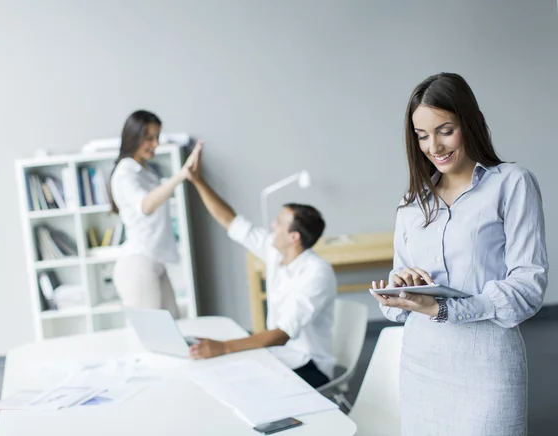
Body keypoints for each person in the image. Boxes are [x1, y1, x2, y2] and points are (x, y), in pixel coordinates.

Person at [370, 72, 548, 435]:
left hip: (488, 366)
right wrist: (402, 286)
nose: (433, 146)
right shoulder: (411, 204)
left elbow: (528, 285)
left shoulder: (512, 183)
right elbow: (395, 308)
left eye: (445, 130)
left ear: (470, 122)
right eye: (422, 136)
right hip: (421, 365)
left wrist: (448, 308)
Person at [186, 144, 337, 388]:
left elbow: (281, 335)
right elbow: (231, 222)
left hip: (309, 364)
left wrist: (224, 347)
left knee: (236, 379)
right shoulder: (275, 252)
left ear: (293, 237)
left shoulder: (317, 273)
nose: (272, 226)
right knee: (221, 372)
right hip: (277, 356)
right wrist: (197, 181)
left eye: (279, 223)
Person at [110, 110, 199, 317]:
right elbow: (146, 206)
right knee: (154, 335)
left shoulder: (147, 172)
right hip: (138, 263)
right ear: (134, 137)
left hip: (155, 261)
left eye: (157, 137)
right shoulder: (125, 172)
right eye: (149, 138)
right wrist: (180, 176)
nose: (155, 144)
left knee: (173, 323)